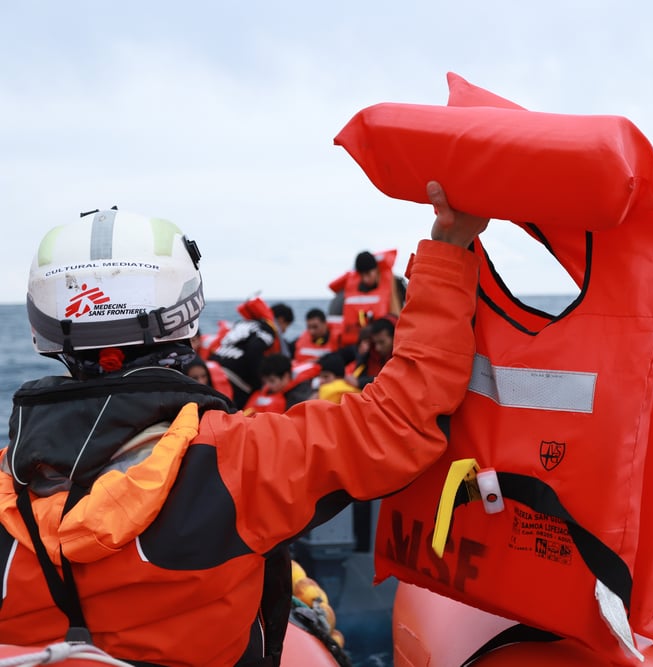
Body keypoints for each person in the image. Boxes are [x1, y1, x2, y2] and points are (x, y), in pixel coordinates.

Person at [0, 183, 488, 666]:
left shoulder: (9, 485)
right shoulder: (242, 459)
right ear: (185, 312)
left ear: (43, 327)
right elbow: (398, 421)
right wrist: (449, 249)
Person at [210, 296, 286, 409]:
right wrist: (258, 384)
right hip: (233, 378)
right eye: (285, 327)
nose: (283, 332)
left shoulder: (242, 323)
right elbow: (254, 350)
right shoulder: (267, 329)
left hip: (212, 367)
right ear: (280, 321)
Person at [327, 250, 406, 348]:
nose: (365, 279)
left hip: (380, 345)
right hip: (353, 344)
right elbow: (332, 287)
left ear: (376, 270)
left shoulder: (394, 285)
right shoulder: (351, 284)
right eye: (362, 275)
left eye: (368, 274)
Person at [242, 353, 314, 415]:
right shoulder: (267, 390)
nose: (268, 385)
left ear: (286, 376)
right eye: (265, 382)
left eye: (272, 381)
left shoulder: (301, 395)